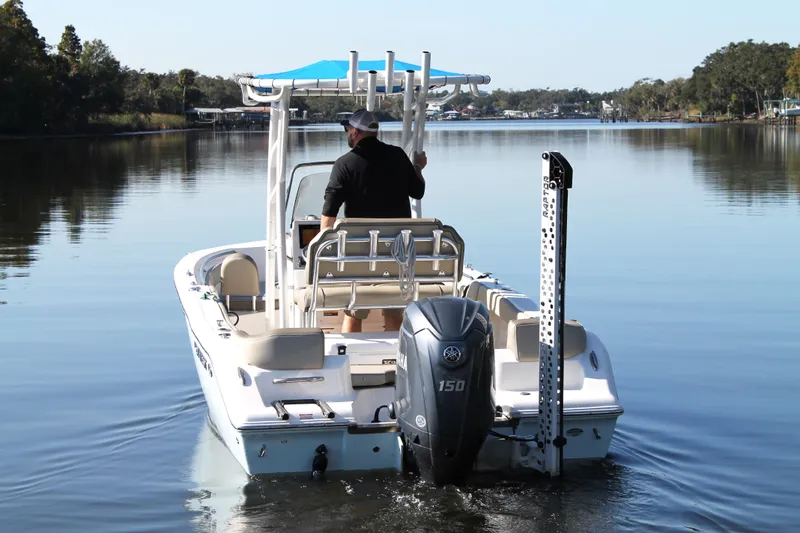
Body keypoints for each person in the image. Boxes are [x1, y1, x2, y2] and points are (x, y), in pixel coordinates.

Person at [320, 108, 427, 333]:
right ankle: (399, 357)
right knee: (394, 308)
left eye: (348, 129)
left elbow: (330, 211)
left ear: (356, 132)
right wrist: (417, 166)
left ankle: (349, 355)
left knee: (354, 308)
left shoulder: (345, 164)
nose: (347, 133)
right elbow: (417, 191)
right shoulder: (398, 155)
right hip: (398, 250)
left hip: (361, 252)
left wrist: (323, 247)